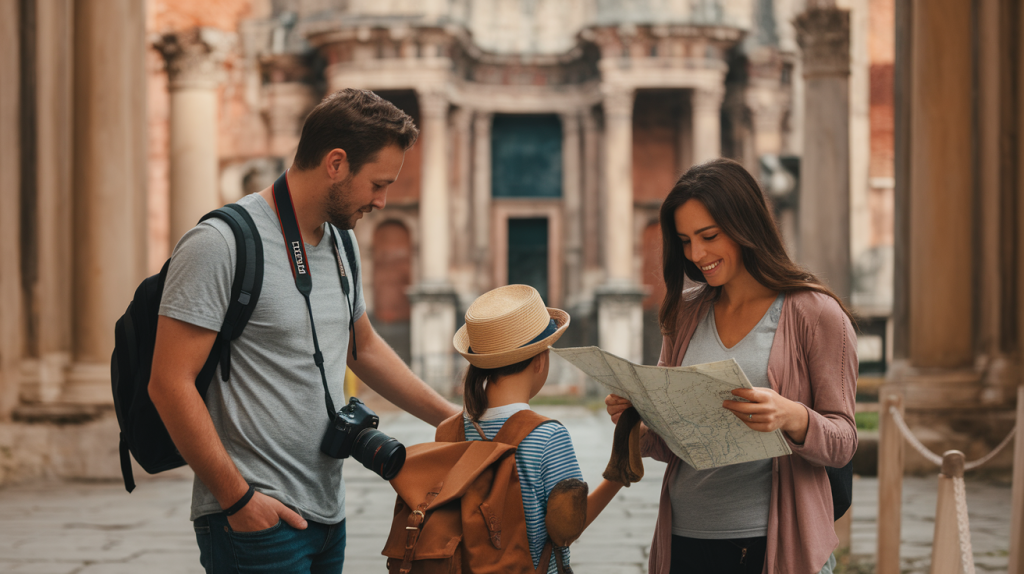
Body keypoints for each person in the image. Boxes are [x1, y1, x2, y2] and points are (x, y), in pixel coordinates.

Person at [149, 89, 461, 573]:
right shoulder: (220, 243)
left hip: (326, 514)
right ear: (336, 163)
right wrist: (238, 502)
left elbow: (365, 347)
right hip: (253, 519)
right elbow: (168, 384)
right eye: (378, 184)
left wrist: (450, 418)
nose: (382, 201)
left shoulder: (342, 243)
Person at [605, 159, 858, 574]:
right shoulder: (684, 314)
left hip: (774, 542)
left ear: (746, 226)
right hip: (685, 537)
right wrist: (641, 423)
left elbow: (844, 441)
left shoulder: (816, 314)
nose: (696, 254)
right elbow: (674, 445)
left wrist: (792, 416)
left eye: (708, 236)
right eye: (685, 240)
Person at [453, 284, 625, 574]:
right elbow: (568, 529)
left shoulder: (452, 430)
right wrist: (619, 472)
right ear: (540, 360)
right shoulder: (548, 436)